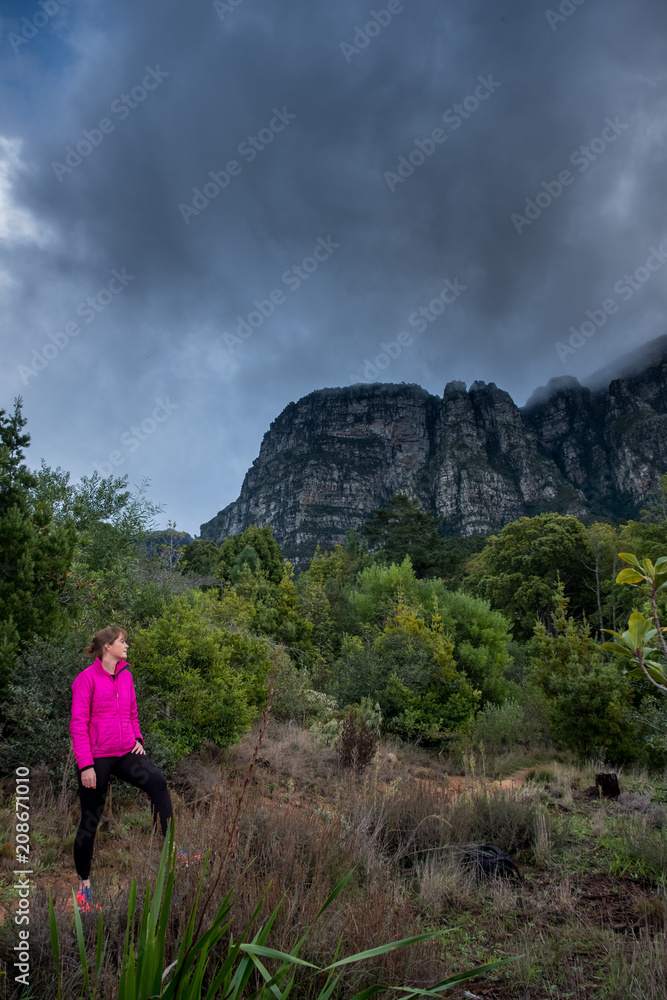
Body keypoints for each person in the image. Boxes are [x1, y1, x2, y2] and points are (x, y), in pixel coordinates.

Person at [70, 626, 177, 913]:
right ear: (107, 647)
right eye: (122, 642)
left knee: (157, 781)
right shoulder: (86, 680)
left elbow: (131, 713)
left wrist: (138, 739)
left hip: (125, 752)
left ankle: (171, 855)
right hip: (97, 758)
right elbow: (78, 725)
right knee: (90, 820)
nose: (126, 645)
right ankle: (84, 891)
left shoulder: (126, 675)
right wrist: (86, 766)